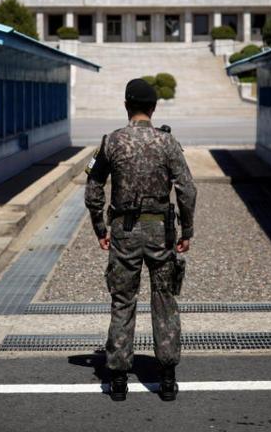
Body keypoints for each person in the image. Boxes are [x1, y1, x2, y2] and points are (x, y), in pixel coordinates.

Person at [85, 78, 197, 402]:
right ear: (154, 107)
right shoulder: (167, 143)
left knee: (123, 300)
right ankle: (166, 377)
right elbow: (187, 189)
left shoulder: (111, 142)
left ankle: (118, 378)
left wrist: (100, 230)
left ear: (125, 105)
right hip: (161, 233)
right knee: (164, 299)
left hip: (124, 233)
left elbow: (93, 189)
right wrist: (187, 230)